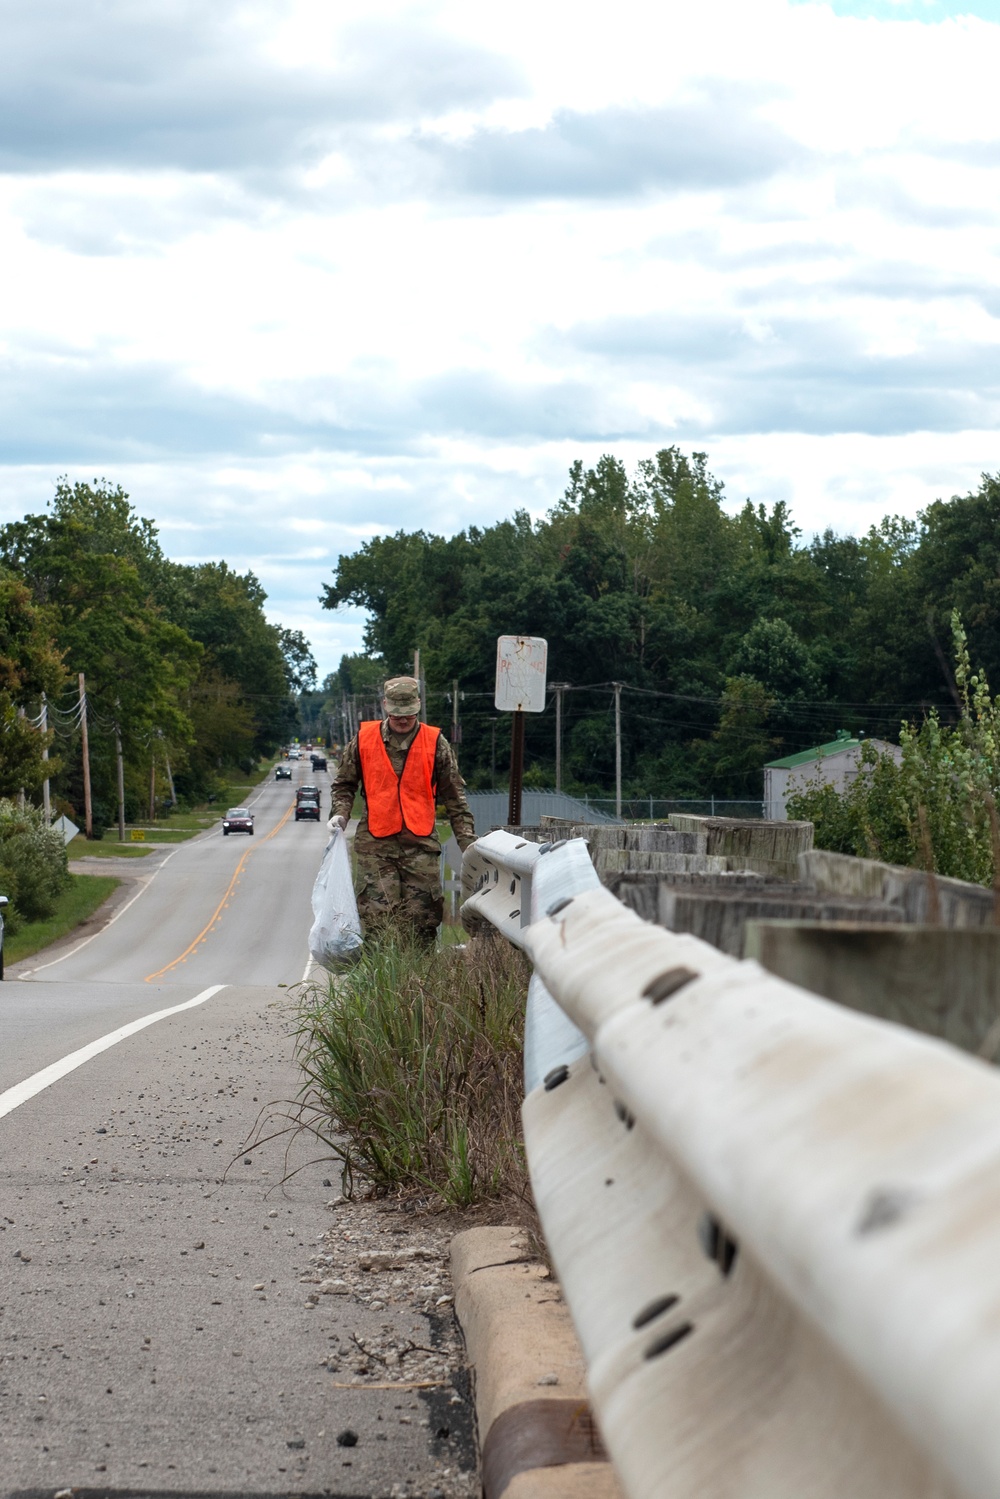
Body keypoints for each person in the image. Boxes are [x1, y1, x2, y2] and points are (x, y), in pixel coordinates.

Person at [328, 676, 477, 947]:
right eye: (397, 713)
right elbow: (344, 784)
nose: (402, 719)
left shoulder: (435, 742)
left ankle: (418, 983)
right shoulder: (364, 739)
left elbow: (455, 797)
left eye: (408, 714)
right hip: (375, 846)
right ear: (385, 706)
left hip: (420, 847)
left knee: (422, 922)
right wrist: (340, 814)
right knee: (377, 923)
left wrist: (467, 842)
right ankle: (380, 983)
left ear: (418, 707)